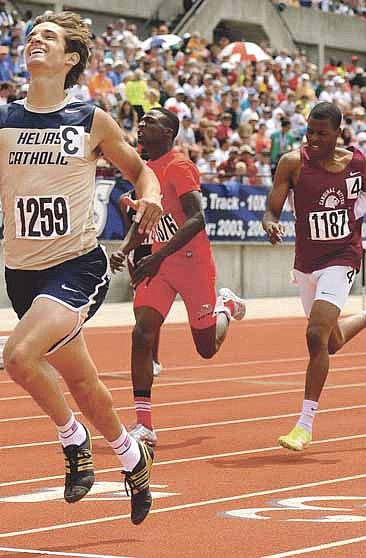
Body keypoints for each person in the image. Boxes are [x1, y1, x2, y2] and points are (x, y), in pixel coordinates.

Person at [0, 11, 162, 525]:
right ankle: (130, 455)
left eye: (48, 37)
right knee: (84, 382)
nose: (35, 40)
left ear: (70, 58)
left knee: (18, 356)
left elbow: (141, 173)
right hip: (23, 275)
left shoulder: (90, 120)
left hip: (77, 267)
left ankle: (74, 444)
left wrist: (152, 198)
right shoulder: (0, 121)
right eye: (32, 35)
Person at [262, 102, 366, 452]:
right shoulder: (293, 164)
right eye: (309, 131)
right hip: (306, 262)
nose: (312, 139)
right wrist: (270, 224)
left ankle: (304, 425)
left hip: (343, 258)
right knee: (330, 341)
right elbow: (271, 209)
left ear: (338, 133)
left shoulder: (358, 164)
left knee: (315, 336)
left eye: (320, 133)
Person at [109, 108, 247, 447]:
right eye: (139, 123)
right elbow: (144, 221)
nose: (140, 127)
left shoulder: (179, 166)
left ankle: (225, 306)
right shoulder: (143, 173)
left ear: (169, 133)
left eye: (150, 123)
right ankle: (144, 424)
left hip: (192, 265)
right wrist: (126, 249)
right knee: (142, 333)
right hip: (161, 266)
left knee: (206, 348)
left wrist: (156, 257)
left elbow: (198, 219)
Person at [117, 188, 162, 377]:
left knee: (153, 310)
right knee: (142, 310)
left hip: (157, 251)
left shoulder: (159, 196)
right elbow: (128, 233)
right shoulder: (124, 200)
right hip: (137, 254)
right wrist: (125, 255)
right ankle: (149, 359)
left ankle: (154, 359)